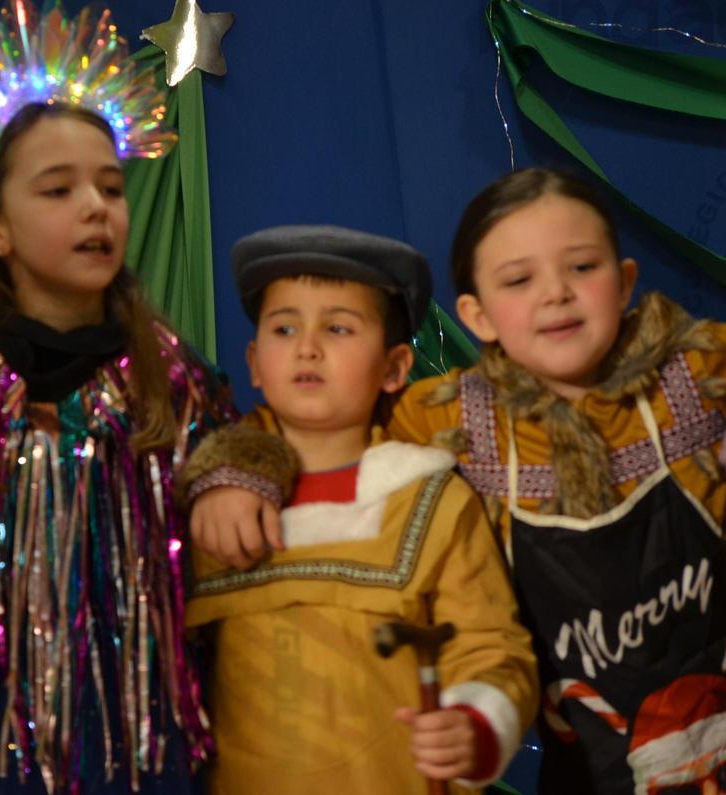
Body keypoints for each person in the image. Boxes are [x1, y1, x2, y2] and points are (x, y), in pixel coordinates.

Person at [188, 169, 726, 794]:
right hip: (592, 770)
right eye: (519, 280)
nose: (555, 294)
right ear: (478, 314)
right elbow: (322, 423)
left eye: (582, 268)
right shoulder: (446, 418)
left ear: (625, 281)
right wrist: (238, 465)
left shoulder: (705, 369)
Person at [0, 101, 236, 794]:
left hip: (144, 756)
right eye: (58, 190)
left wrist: (244, 474)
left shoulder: (179, 384)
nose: (97, 208)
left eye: (111, 188)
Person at [177, 225, 536, 793]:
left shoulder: (429, 500)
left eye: (339, 327)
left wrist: (475, 725)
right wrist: (215, 480)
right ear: (253, 361)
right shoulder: (204, 505)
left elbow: (491, 644)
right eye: (283, 327)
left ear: (395, 368)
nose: (307, 346)